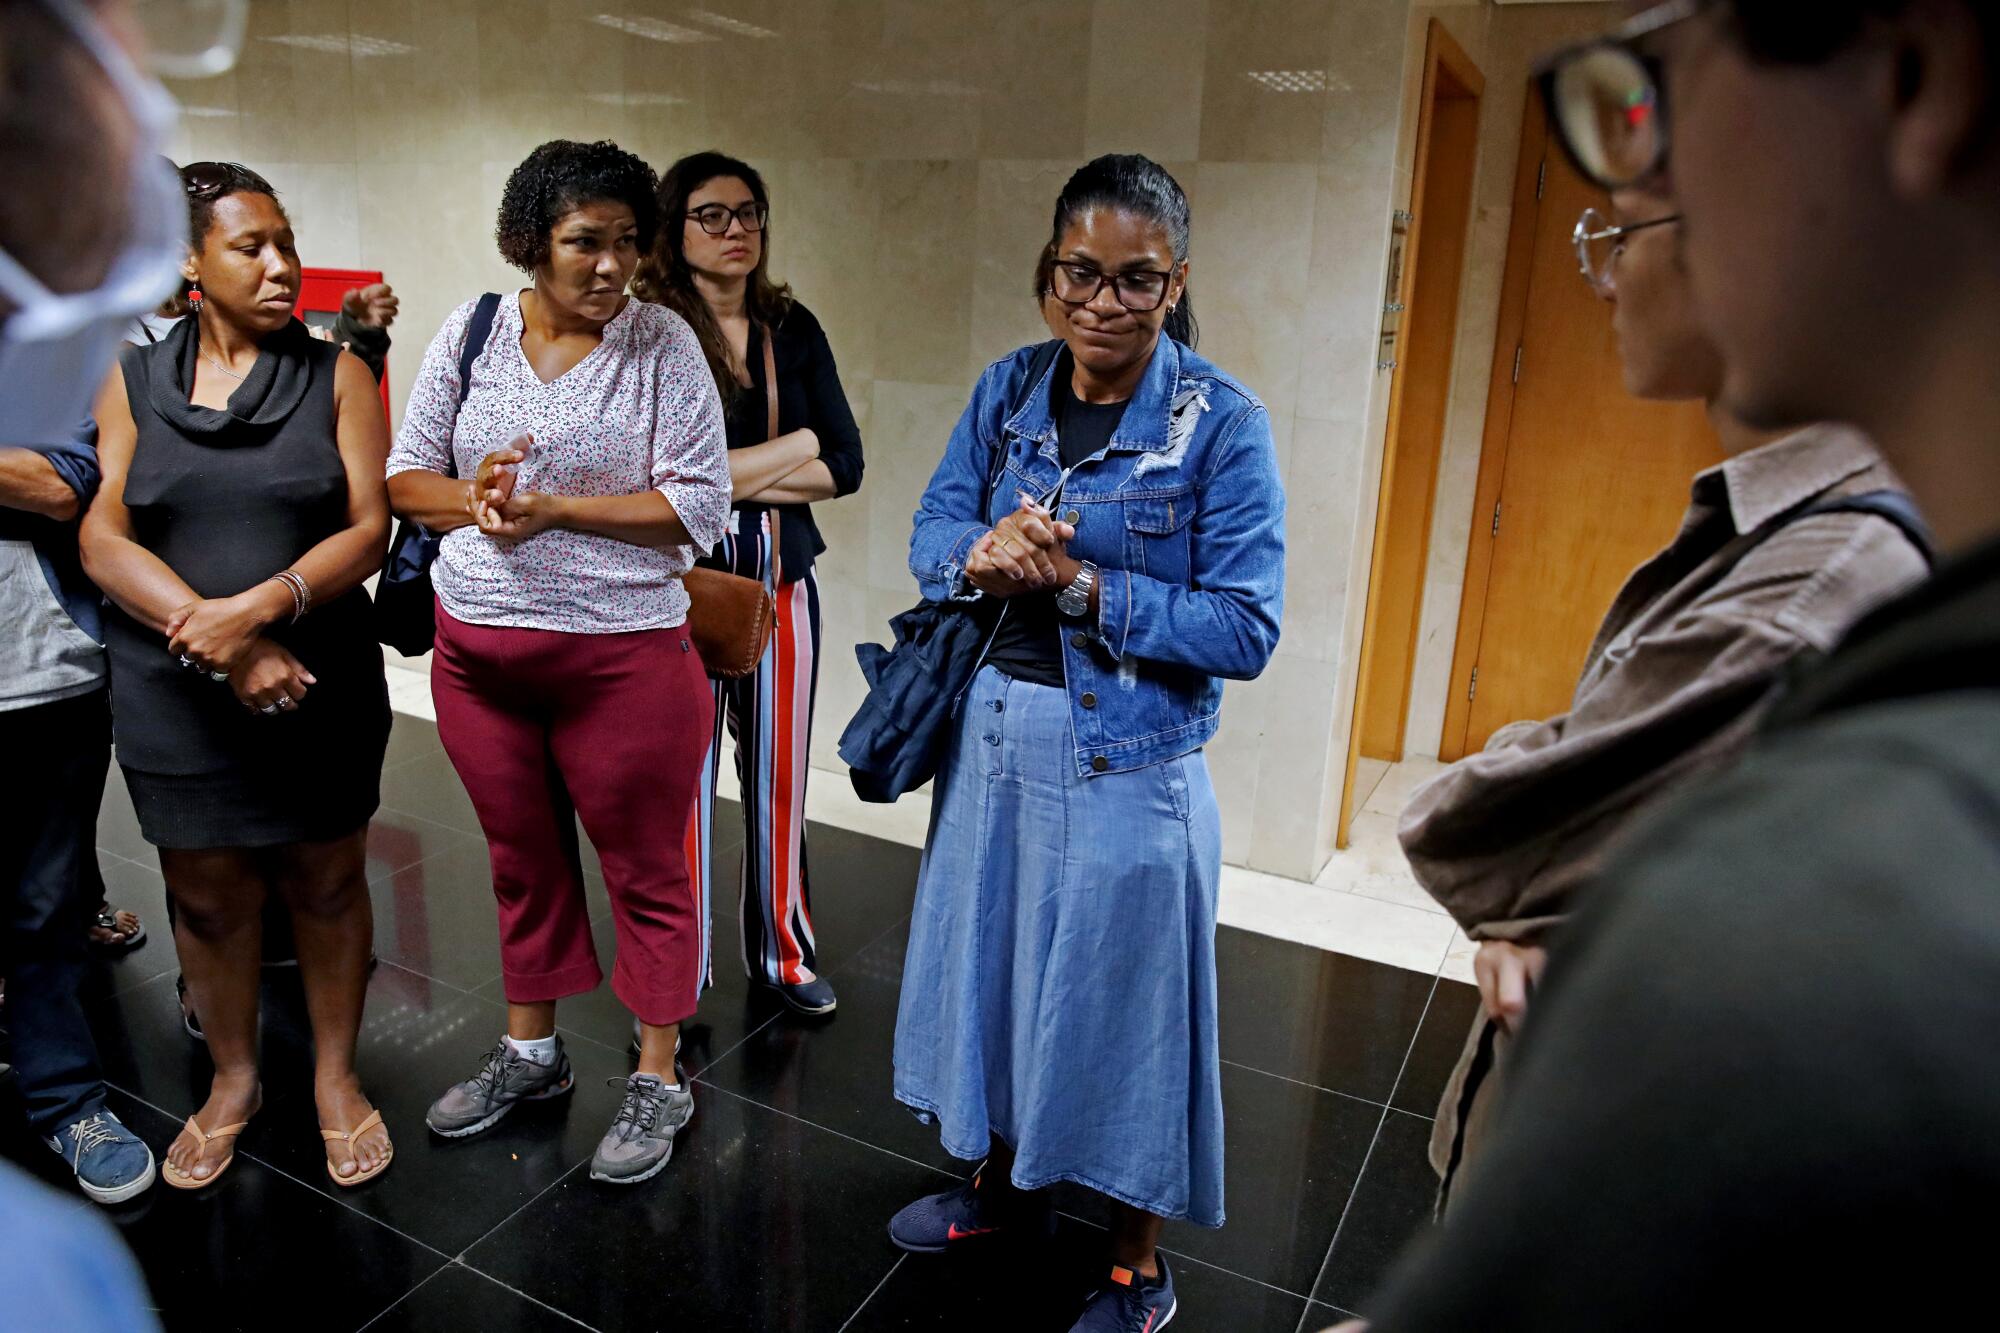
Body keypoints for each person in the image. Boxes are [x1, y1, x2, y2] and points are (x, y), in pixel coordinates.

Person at [1357, 1, 2000, 1326]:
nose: (1639, 202)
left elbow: (1491, 835)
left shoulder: (1859, 668)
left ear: (1923, 73)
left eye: (1659, 86)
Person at [1398, 182, 1929, 1205]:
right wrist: (1560, 853)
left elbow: (1476, 831)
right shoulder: (1793, 521)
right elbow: (1559, 833)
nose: (1599, 282)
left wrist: (1542, 848)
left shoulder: (1820, 581)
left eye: (1617, 235)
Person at [886, 154, 1285, 1332]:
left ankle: (1134, 1262)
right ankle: (1007, 1191)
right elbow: (930, 523)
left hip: (1130, 757)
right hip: (993, 737)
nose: (1102, 303)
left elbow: (1244, 624)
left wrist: (1082, 585)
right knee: (999, 978)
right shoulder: (1007, 388)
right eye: (1081, 274)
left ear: (1173, 284)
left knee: (1124, 1014)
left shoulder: (1221, 424)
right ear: (1046, 273)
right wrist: (980, 549)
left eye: (1135, 281)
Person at [388, 139, 731, 1186]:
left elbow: (697, 508)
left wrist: (556, 509)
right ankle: (531, 1053)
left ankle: (659, 1070)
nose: (610, 266)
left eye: (629, 243)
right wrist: (476, 503)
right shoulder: (474, 327)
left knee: (647, 871)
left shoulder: (663, 344)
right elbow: (409, 476)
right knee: (519, 863)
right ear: (529, 241)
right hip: (478, 659)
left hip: (621, 662)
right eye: (586, 241)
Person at [80, 160, 395, 1190]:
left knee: (327, 880)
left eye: (286, 244)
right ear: (187, 262)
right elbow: (103, 531)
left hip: (318, 681)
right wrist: (214, 636)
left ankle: (337, 1079)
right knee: (205, 896)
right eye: (250, 247)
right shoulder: (128, 379)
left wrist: (262, 612)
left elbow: (367, 527)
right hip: (176, 690)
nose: (280, 267)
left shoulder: (337, 373)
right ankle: (232, 1076)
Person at [0, 0, 196, 1209]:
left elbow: (65, 477)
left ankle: (67, 1098)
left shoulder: (55, 325)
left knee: (41, 900)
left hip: (37, 673)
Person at [632, 151, 865, 1018]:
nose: (738, 231)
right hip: (675, 596)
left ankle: (784, 954)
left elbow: (843, 461)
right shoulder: (649, 329)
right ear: (675, 228)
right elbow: (655, 473)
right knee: (681, 791)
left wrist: (732, 473)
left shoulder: (790, 327)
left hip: (782, 589)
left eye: (750, 213)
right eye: (714, 215)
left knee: (779, 781)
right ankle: (680, 973)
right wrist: (790, 445)